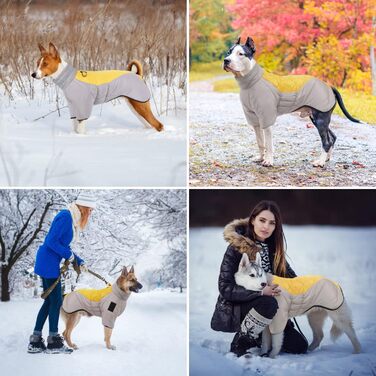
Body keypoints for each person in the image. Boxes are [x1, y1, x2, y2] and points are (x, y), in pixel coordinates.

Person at [211, 200, 308, 357]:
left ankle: (262, 334)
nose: (266, 227)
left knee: (299, 346)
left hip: (274, 309)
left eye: (272, 223)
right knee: (267, 302)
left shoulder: (273, 250)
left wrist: (311, 286)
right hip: (242, 306)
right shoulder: (236, 248)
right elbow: (225, 288)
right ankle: (242, 340)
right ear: (253, 220)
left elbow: (292, 279)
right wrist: (261, 293)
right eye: (262, 220)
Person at [27, 193, 96, 354]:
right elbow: (51, 241)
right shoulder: (66, 216)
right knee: (56, 301)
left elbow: (63, 245)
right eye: (90, 210)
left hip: (48, 262)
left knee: (50, 302)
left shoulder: (70, 217)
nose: (90, 214)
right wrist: (70, 257)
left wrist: (78, 261)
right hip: (48, 263)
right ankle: (53, 341)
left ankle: (36, 340)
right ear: (84, 207)